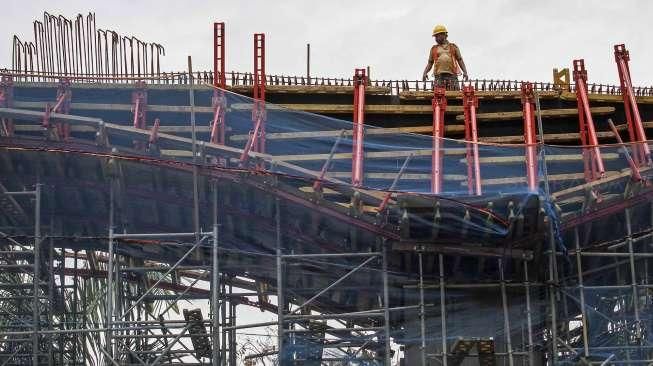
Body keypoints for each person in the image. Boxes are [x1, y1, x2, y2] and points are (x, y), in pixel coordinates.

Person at [421, 24, 468, 90]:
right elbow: (430, 63)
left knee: (453, 95)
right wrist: (425, 73)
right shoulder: (434, 49)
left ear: (444, 35)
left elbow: (460, 60)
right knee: (439, 95)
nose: (436, 38)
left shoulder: (453, 47)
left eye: (437, 36)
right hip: (439, 77)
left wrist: (465, 72)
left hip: (452, 76)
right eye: (435, 36)